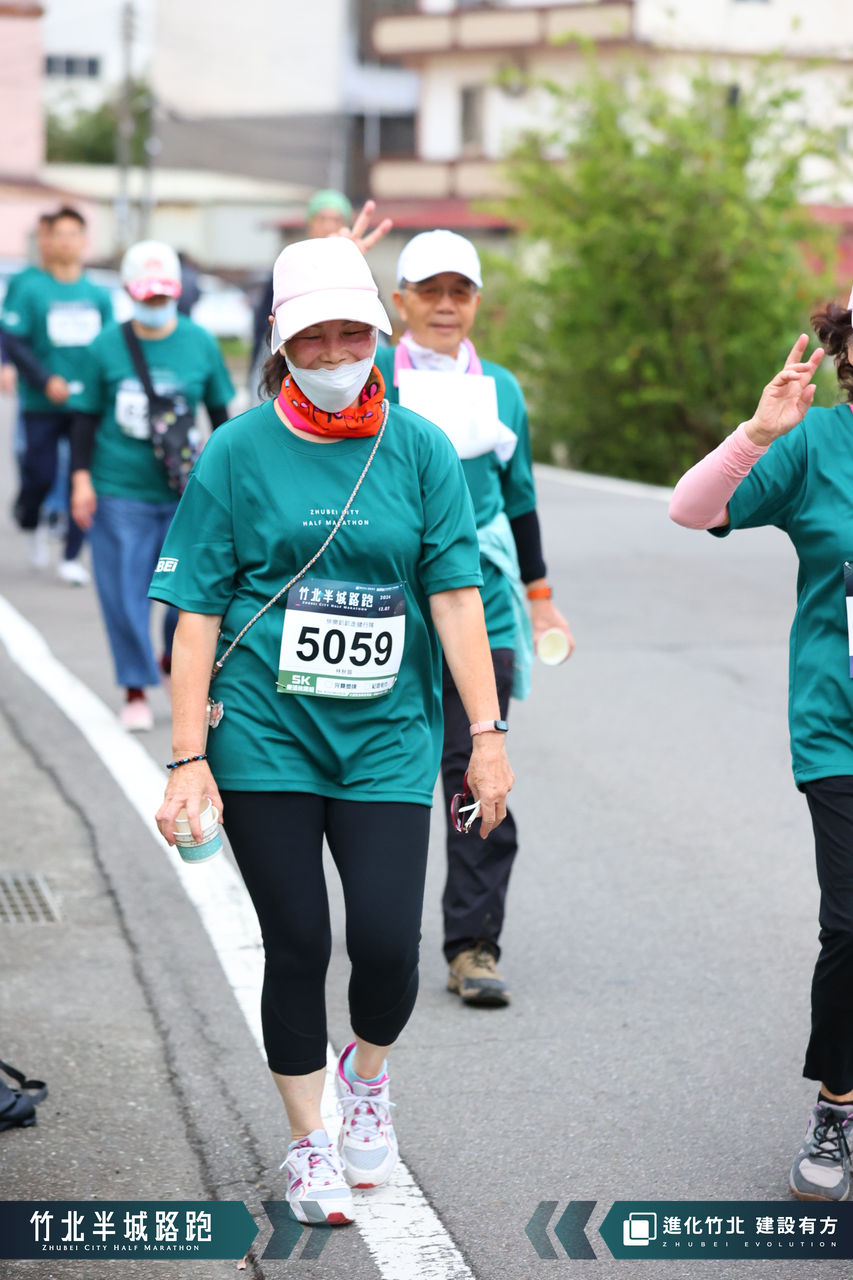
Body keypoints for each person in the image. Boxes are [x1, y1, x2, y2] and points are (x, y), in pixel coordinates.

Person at [150, 236, 514, 1226]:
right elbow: (196, 615)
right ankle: (308, 1138)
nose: (337, 351)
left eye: (354, 332)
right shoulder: (237, 451)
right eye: (315, 337)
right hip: (265, 732)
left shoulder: (420, 449)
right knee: (300, 939)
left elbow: (454, 598)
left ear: (379, 334)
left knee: (388, 944)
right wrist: (187, 759)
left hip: (388, 734)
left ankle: (367, 1074)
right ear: (282, 342)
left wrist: (486, 733)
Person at [669, 317, 853, 1202]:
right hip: (838, 729)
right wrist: (756, 432)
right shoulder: (815, 445)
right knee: (850, 926)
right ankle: (836, 1105)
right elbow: (691, 508)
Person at [375, 230, 574, 1008]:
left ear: (477, 301)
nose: (445, 305)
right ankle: (378, 928)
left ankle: (471, 946)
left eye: (459, 291)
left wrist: (539, 595)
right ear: (400, 301)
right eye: (429, 291)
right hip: (384, 607)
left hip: (481, 604)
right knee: (379, 775)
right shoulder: (371, 378)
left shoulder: (501, 388)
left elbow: (519, 498)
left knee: (473, 769)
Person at [69, 240, 234, 732]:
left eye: (164, 295)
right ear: (129, 291)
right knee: (123, 593)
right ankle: (136, 687)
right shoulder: (105, 346)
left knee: (189, 592)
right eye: (147, 296)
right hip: (119, 487)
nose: (156, 303)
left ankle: (170, 654)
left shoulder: (200, 343)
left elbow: (221, 417)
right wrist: (80, 479)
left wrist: (229, 482)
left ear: (177, 292)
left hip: (186, 491)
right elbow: (84, 418)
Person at [1, 206, 113, 585]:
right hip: (42, 402)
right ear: (48, 240)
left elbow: (109, 347)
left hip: (86, 405)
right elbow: (14, 341)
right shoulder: (31, 288)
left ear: (84, 241)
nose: (66, 242)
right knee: (40, 473)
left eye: (73, 235)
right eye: (59, 235)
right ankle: (31, 520)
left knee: (82, 475)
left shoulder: (97, 294)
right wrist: (44, 379)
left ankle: (71, 554)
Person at [248, 192, 392, 389]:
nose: (333, 354)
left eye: (336, 219)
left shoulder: (361, 272)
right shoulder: (285, 274)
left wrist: (348, 265)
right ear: (310, 223)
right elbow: (264, 340)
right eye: (322, 218)